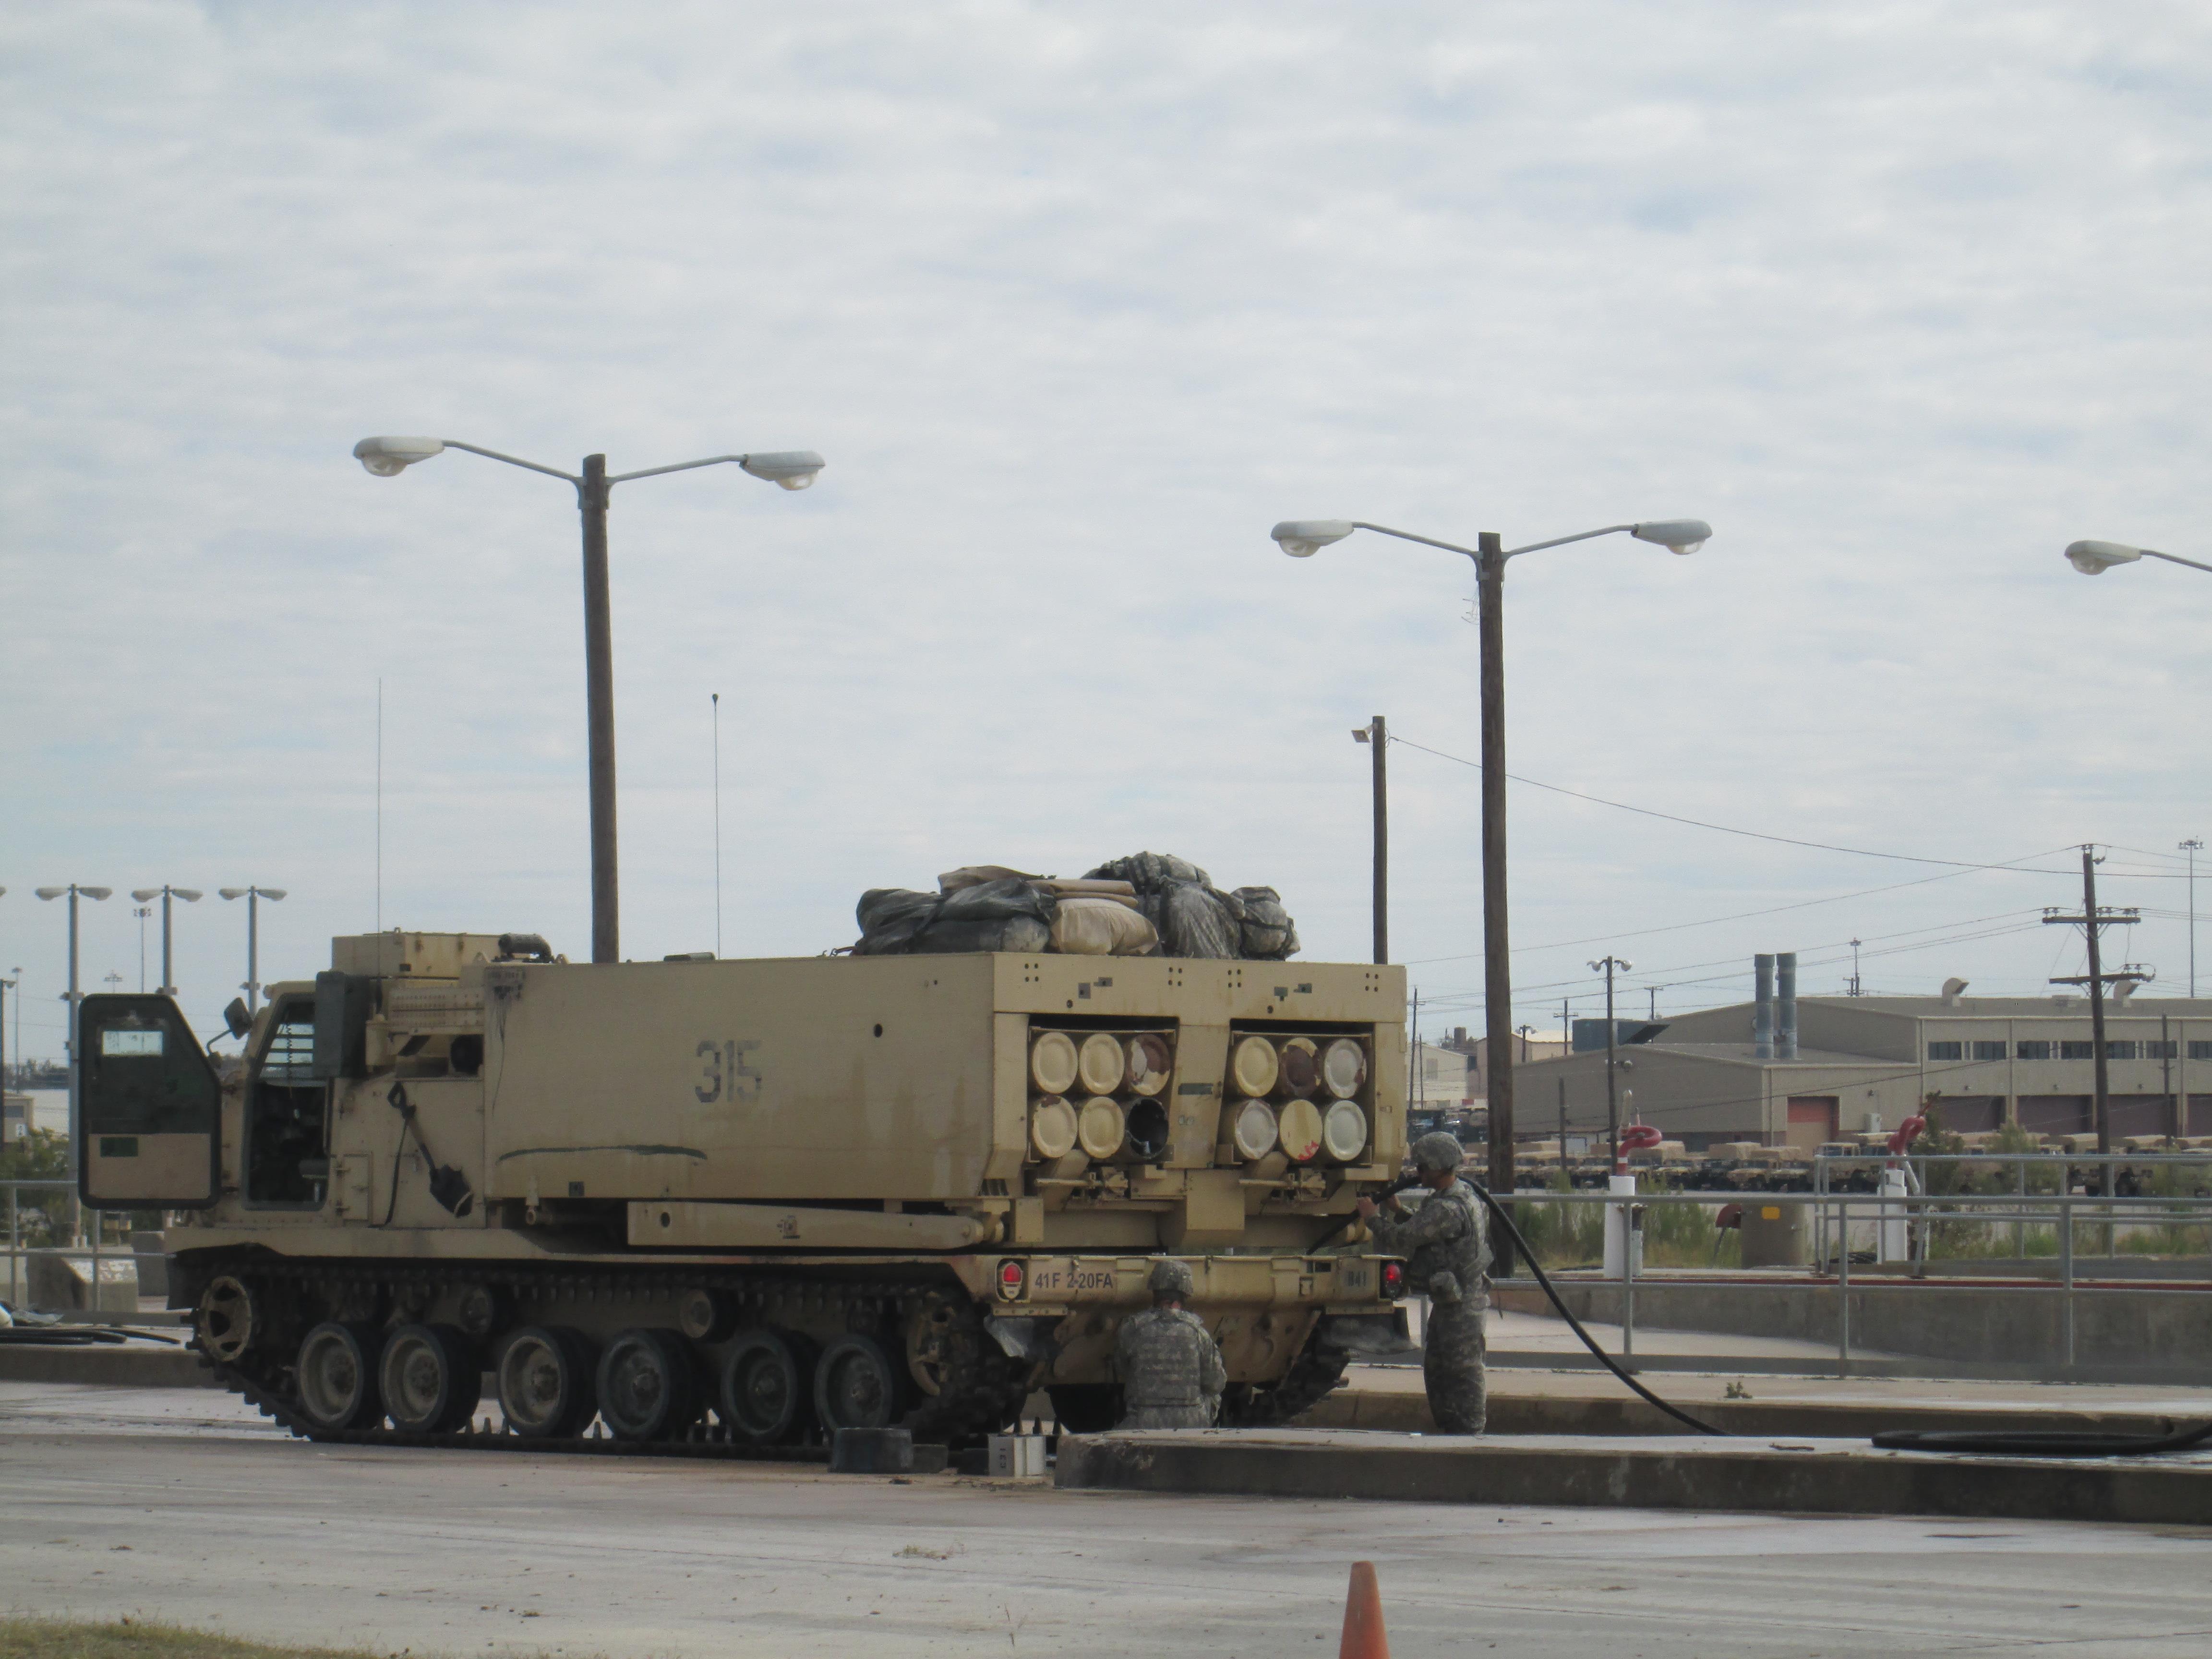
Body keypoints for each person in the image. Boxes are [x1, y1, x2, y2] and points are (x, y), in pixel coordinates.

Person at [1358, 1130, 1489, 1434]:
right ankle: (1454, 1431)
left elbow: (1401, 1240)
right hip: (1458, 1300)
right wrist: (1399, 1210)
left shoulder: (1446, 1208)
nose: (1418, 1174)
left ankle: (1469, 1432)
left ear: (1439, 1167)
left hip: (1460, 1306)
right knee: (1440, 1369)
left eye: (1422, 1168)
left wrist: (1373, 1218)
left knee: (1460, 1371)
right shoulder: (1461, 1197)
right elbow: (1426, 1228)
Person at [1114, 1258, 1227, 1429]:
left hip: (1143, 1422)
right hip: (1192, 1423)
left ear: (1156, 1293)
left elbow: (1121, 1368)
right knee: (1214, 1395)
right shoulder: (1198, 1332)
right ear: (1184, 1295)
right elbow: (1217, 1382)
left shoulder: (1134, 1328)